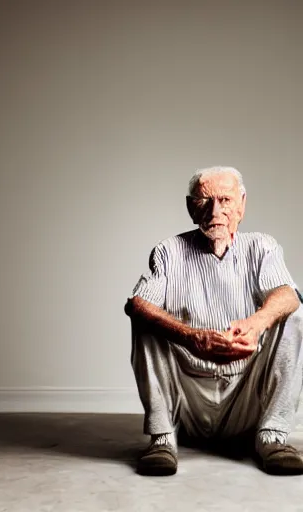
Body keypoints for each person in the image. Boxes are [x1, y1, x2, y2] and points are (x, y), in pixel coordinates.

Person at [124, 166, 303, 476]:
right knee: (147, 318)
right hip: (188, 403)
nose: (215, 211)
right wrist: (191, 337)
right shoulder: (169, 251)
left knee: (294, 314)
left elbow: (288, 295)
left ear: (242, 204)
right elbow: (137, 304)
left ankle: (273, 435)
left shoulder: (262, 246)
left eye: (225, 200)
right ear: (191, 207)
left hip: (248, 400)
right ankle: (162, 437)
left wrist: (256, 323)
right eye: (204, 201)